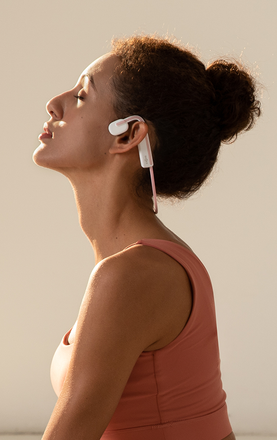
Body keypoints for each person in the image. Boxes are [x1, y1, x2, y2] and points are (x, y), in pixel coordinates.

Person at [34, 35, 261, 440]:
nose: (55, 102)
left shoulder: (133, 275)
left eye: (82, 95)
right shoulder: (145, 264)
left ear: (128, 135)